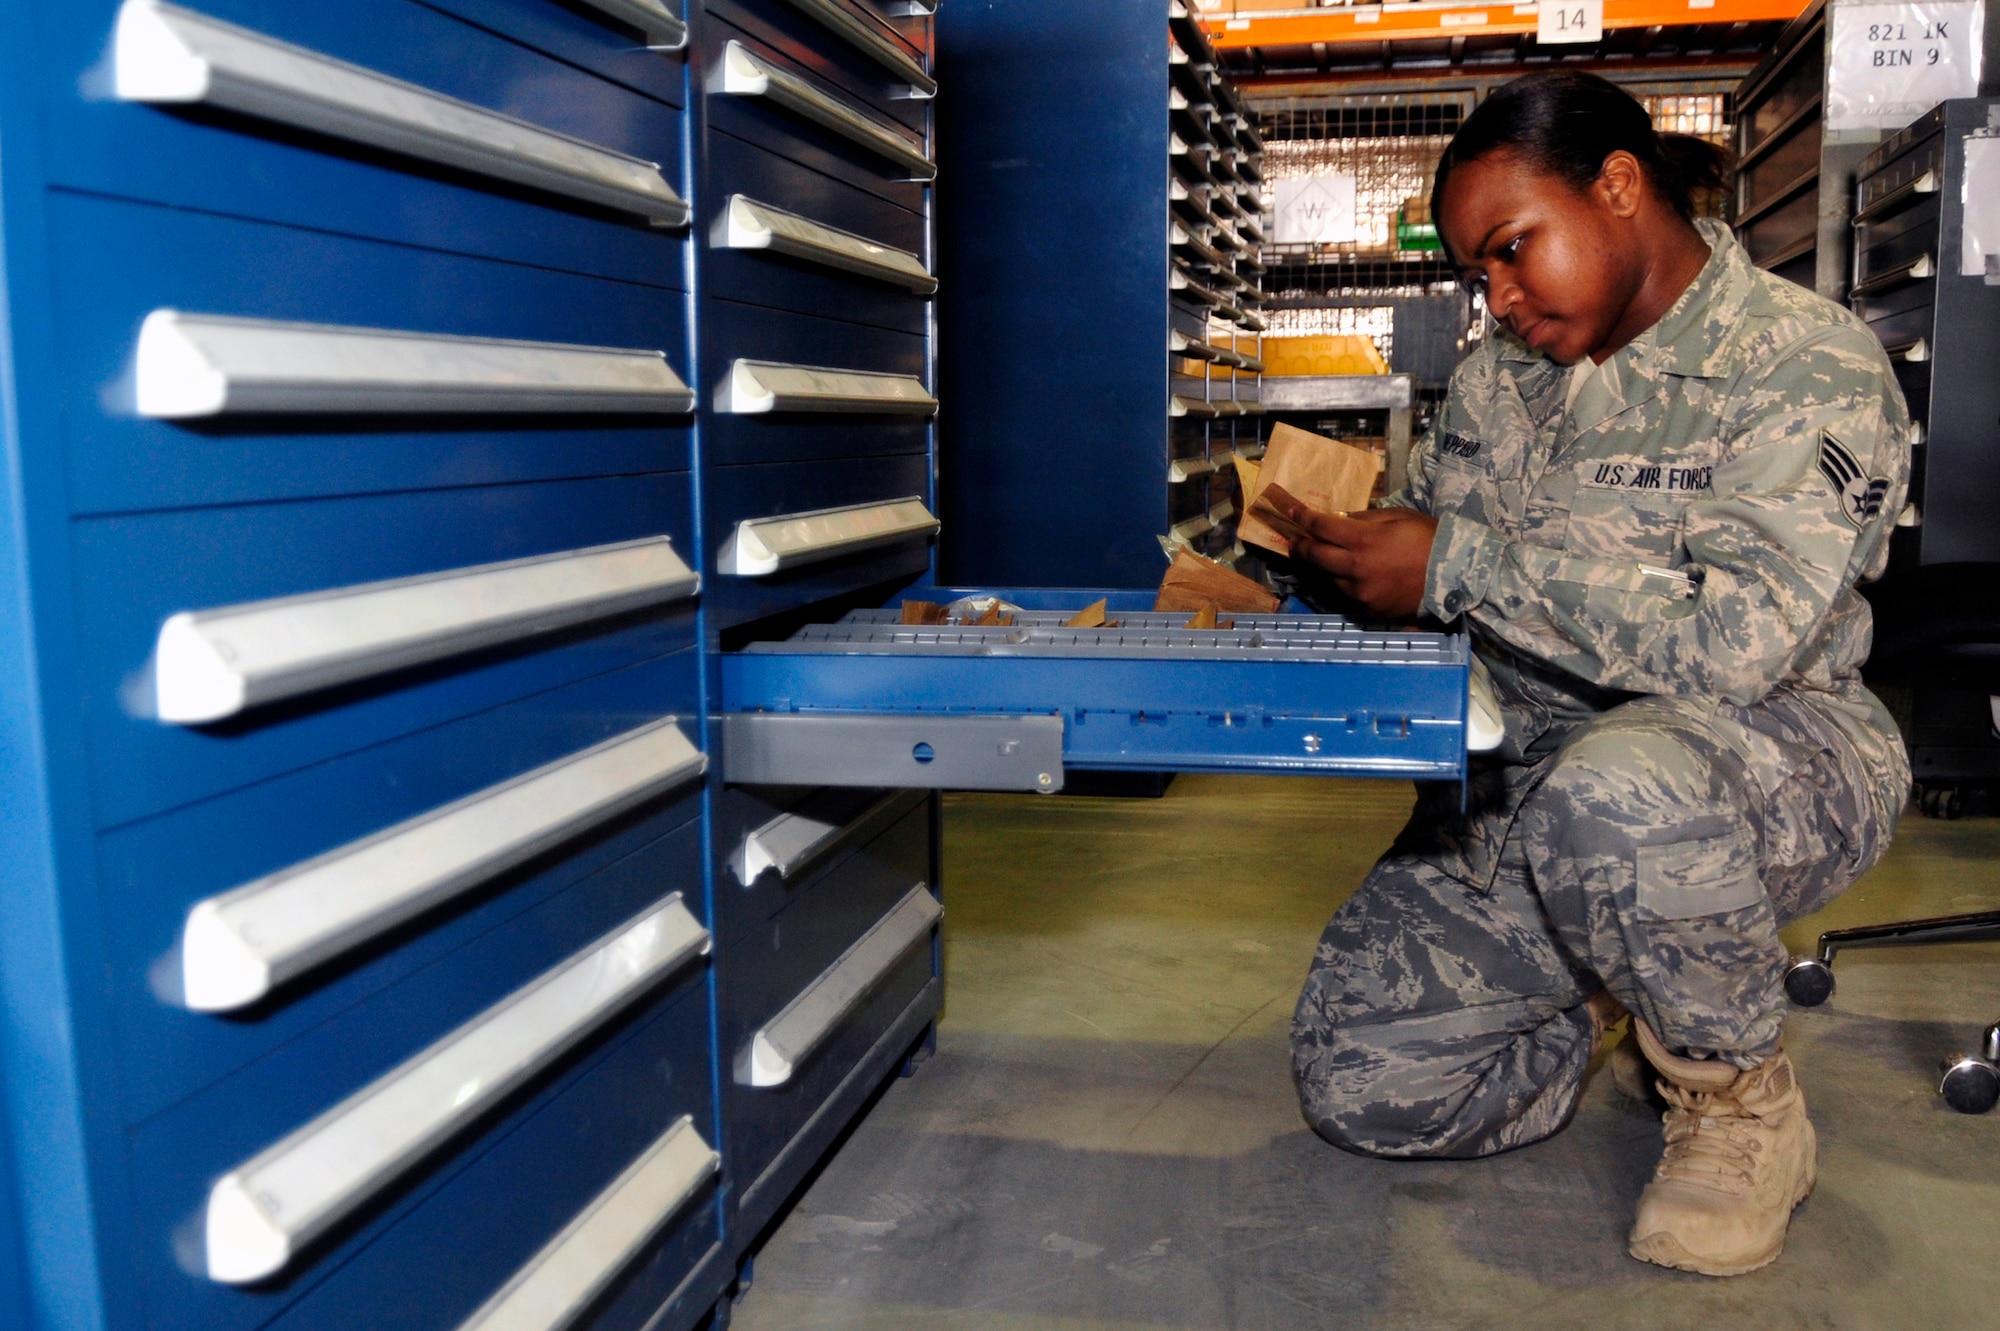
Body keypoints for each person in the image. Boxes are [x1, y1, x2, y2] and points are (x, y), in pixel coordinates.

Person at [1279, 71, 1913, 1277]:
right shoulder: (1497, 379)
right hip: (1528, 779)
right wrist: (1347, 565)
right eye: (1476, 274)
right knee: (1366, 1086)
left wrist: (1453, 565)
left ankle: (1734, 1098)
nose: (1497, 298)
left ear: (1618, 186)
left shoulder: (1799, 362)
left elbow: (1739, 642)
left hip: (1770, 755)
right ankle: (1617, 974)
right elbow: (1445, 556)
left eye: (1512, 251)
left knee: (1617, 789)